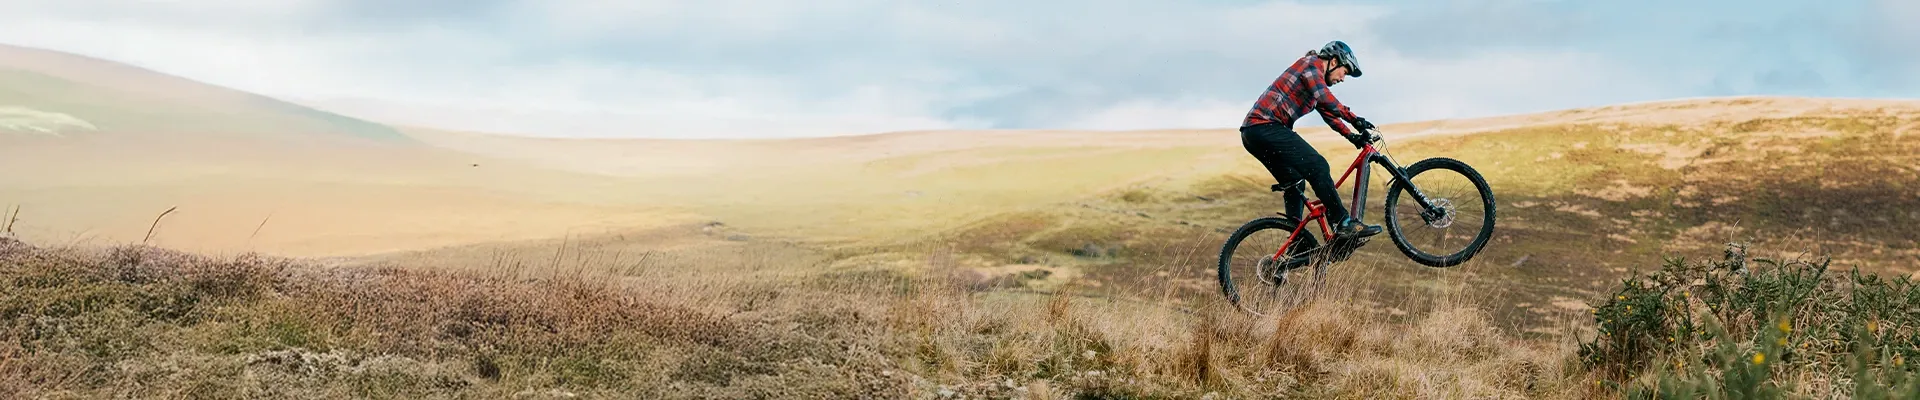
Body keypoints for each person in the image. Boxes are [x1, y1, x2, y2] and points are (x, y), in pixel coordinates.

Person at [1239, 40, 1382, 239]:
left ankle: (1296, 242)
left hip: (1254, 133)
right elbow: (1326, 98)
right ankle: (1343, 222)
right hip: (1264, 127)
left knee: (1296, 182)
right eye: (1344, 72)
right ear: (1333, 62)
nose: (1343, 79)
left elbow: (1330, 115)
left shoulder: (1314, 83)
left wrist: (1352, 136)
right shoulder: (1311, 65)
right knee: (1318, 166)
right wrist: (1354, 118)